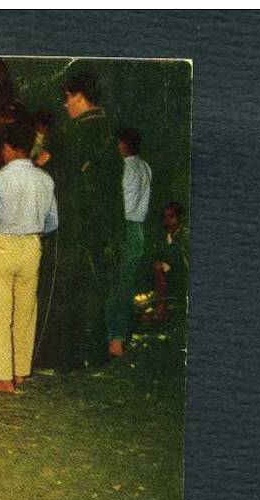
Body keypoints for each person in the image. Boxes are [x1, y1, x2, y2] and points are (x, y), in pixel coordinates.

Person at [36, 71, 125, 372]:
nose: (65, 106)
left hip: (71, 225)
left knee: (62, 291)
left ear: (79, 97)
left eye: (67, 98)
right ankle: (94, 355)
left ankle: (60, 358)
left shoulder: (71, 133)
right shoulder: (110, 132)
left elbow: (43, 168)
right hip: (102, 227)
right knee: (94, 289)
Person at [0, 123, 58, 393]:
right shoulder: (45, 179)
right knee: (26, 310)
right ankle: (20, 370)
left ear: (9, 148)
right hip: (32, 247)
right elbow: (52, 222)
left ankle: (1, 375)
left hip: (3, 246)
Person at [106, 128, 152, 356]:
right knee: (126, 285)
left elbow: (119, 202)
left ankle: (113, 338)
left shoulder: (124, 167)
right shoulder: (145, 167)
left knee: (115, 286)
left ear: (123, 145)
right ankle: (118, 338)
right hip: (137, 230)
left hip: (123, 228)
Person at [144, 201, 189, 323]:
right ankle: (159, 307)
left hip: (182, 273)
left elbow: (183, 259)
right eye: (165, 218)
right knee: (157, 267)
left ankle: (161, 308)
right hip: (167, 275)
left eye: (172, 217)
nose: (168, 221)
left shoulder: (185, 235)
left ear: (180, 217)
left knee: (160, 268)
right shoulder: (163, 236)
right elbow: (157, 255)